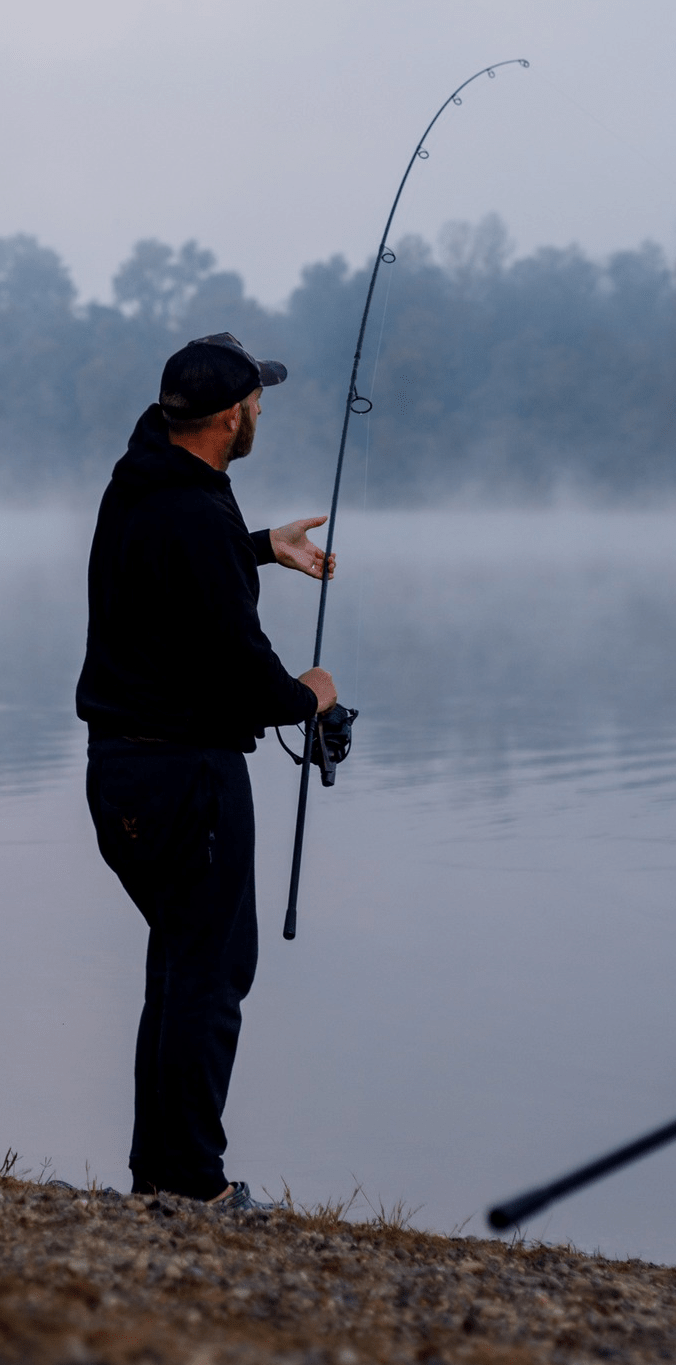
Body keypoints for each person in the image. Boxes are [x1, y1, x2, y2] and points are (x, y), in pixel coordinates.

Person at [76, 331, 338, 1209]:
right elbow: (246, 675)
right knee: (213, 973)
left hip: (121, 774)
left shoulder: (144, 478)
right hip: (186, 778)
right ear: (232, 416)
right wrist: (312, 697)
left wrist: (262, 545)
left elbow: (177, 566)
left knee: (183, 964)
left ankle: (161, 1175)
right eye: (257, 399)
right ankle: (192, 1185)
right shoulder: (192, 510)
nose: (261, 407)